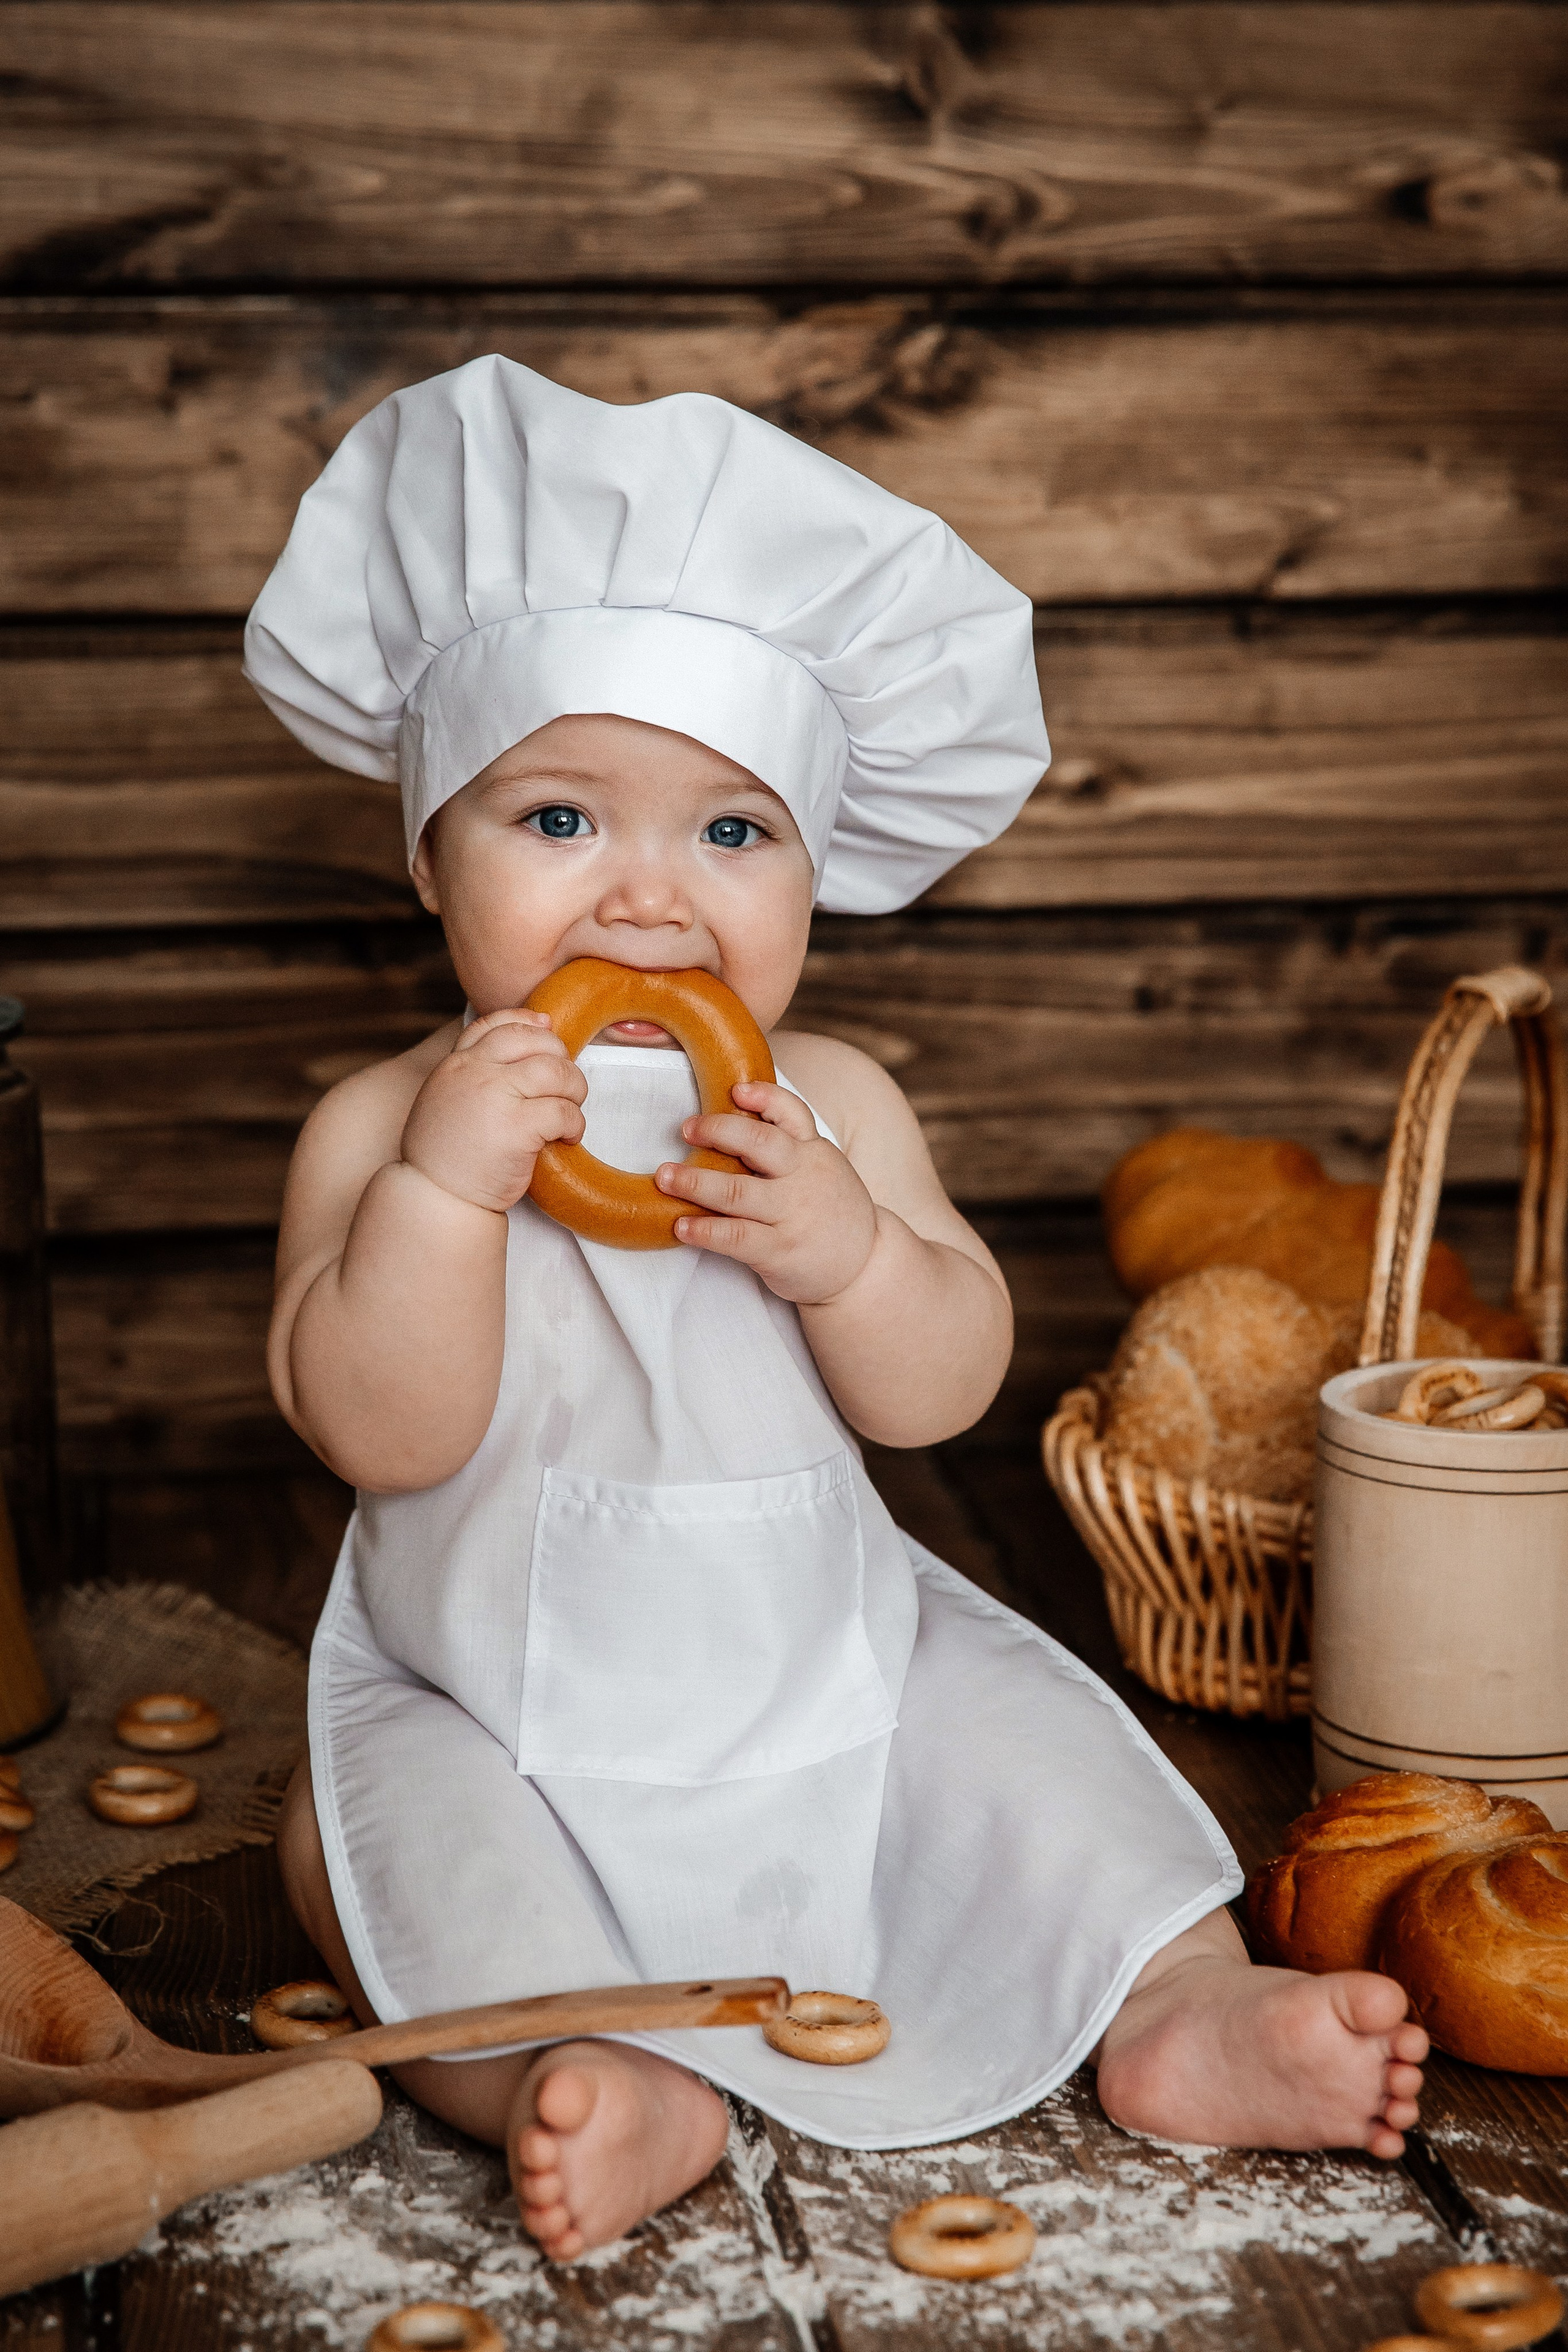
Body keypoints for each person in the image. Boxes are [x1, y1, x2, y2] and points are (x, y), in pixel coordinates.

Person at [245, 357, 1427, 2263]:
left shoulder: (836, 1107)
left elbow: (937, 1397)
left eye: (733, 833)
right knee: (365, 1855)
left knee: (1043, 1776)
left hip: (830, 1684)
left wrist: (850, 1254)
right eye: (558, 820)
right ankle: (605, 2068)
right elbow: (387, 1436)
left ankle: (1170, 2011)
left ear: (815, 870)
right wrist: (447, 1196)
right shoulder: (382, 1124)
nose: (649, 897)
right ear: (424, 854)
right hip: (503, 1707)